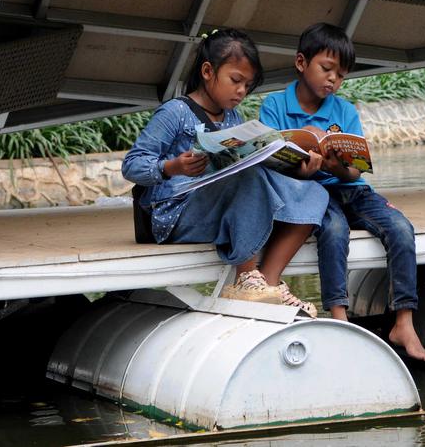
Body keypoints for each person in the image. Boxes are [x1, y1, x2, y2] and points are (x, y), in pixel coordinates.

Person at [122, 28, 326, 317]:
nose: (241, 91)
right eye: (236, 80)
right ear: (208, 71)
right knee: (247, 175)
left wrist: (298, 168)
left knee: (315, 192)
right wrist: (172, 167)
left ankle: (268, 281)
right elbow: (131, 165)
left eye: (248, 85)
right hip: (177, 217)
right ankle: (246, 278)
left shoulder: (233, 116)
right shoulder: (175, 112)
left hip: (220, 212)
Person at [259, 23, 425, 360]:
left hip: (351, 189)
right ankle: (340, 316)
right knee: (335, 231)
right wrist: (303, 169)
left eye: (340, 75)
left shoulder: (344, 111)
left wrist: (335, 166)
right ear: (301, 63)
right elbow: (269, 161)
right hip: (311, 193)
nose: (333, 80)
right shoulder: (275, 106)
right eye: (326, 69)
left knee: (400, 227)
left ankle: (404, 321)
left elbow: (355, 170)